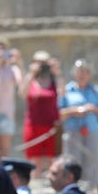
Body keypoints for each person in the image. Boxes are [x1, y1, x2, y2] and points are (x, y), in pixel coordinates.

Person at [58, 59, 98, 188]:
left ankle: (92, 193)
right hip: (73, 133)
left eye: (85, 72)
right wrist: (73, 111)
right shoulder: (67, 90)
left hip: (93, 132)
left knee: (92, 164)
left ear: (89, 74)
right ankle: (72, 191)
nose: (82, 75)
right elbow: (58, 114)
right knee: (71, 164)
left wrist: (93, 108)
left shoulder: (95, 91)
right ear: (74, 73)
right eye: (80, 71)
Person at [18, 50, 63, 179]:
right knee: (34, 161)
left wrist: (57, 72)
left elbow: (63, 92)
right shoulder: (31, 80)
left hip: (51, 127)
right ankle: (35, 191)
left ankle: (52, 191)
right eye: (39, 62)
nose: (42, 66)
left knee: (52, 161)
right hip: (33, 125)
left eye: (44, 63)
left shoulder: (53, 80)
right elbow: (22, 94)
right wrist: (31, 73)